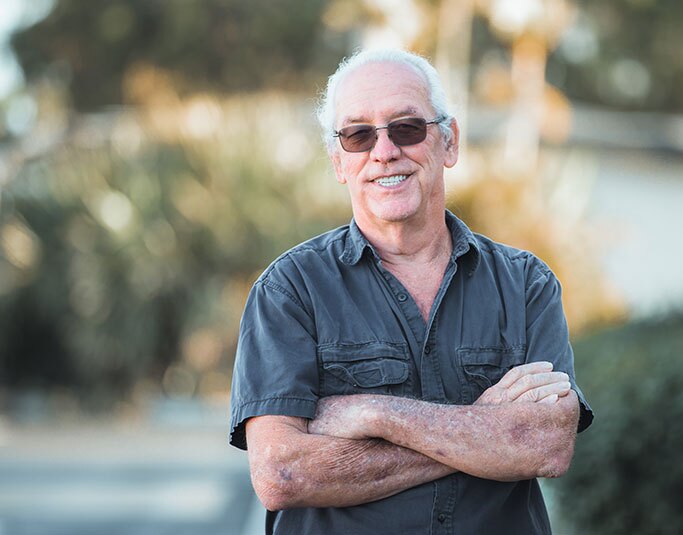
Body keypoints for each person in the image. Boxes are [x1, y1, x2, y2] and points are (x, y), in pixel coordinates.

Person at [229, 48, 593, 535]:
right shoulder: (290, 292)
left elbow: (546, 444)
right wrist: (484, 430)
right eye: (358, 134)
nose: (384, 152)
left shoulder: (526, 284)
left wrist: (372, 412)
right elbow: (282, 472)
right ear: (339, 161)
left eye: (406, 127)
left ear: (449, 142)